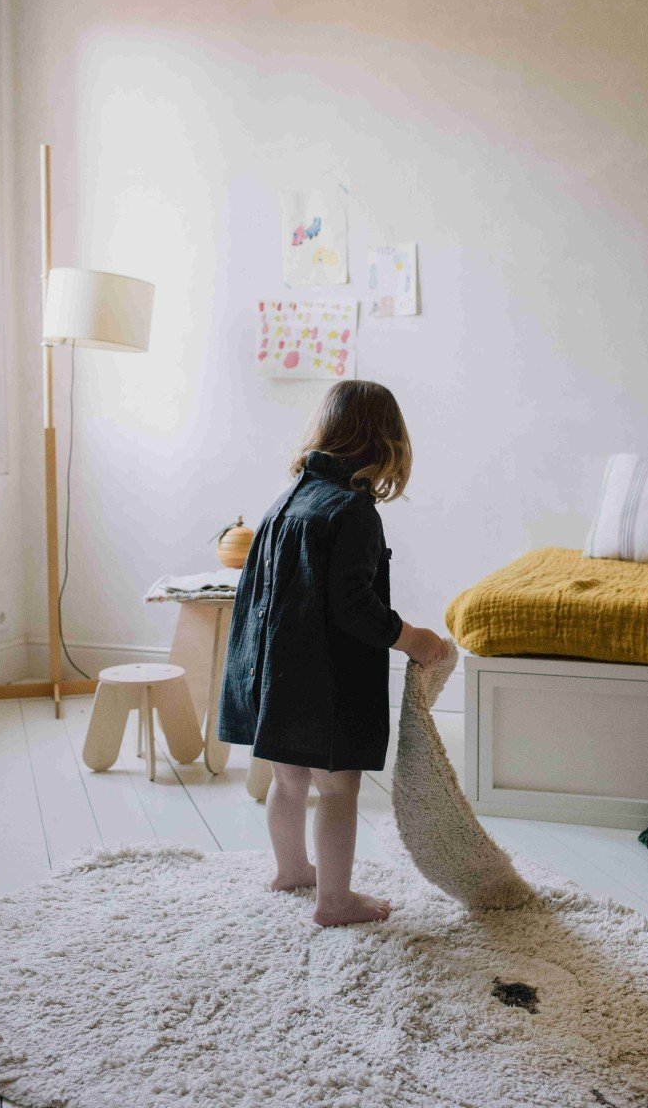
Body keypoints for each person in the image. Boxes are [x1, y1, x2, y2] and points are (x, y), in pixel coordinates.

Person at [217, 380, 447, 925]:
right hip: (327, 680)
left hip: (278, 675)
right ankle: (334, 901)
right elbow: (354, 607)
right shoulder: (352, 511)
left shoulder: (288, 499)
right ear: (388, 445)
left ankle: (292, 868)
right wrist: (413, 638)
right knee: (339, 790)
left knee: (288, 780)